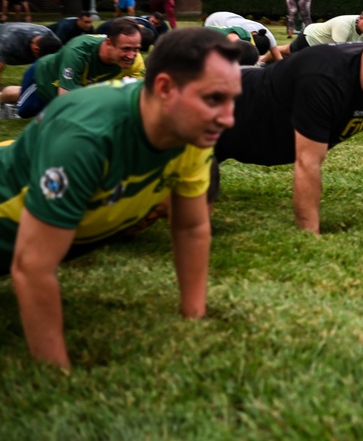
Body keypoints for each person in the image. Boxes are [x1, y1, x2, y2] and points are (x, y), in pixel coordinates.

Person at [0, 27, 243, 369]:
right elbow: (32, 266)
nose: (228, 118)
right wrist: (56, 374)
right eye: (214, 99)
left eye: (232, 99)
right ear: (165, 89)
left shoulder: (190, 130)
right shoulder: (87, 136)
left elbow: (190, 228)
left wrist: (194, 314)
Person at [212, 20, 363, 235]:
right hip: (224, 108)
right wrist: (311, 236)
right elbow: (308, 162)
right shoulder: (324, 77)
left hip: (266, 138)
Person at [17, 18, 145, 118]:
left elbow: (138, 100)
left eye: (136, 49)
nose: (132, 55)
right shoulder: (78, 53)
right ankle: (9, 94)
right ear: (109, 43)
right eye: (126, 49)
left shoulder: (136, 61)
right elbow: (66, 103)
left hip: (78, 86)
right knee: (24, 112)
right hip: (44, 79)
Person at [274, 8, 363, 57]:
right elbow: (337, 54)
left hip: (323, 48)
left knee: (287, 52)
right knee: (288, 52)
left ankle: (268, 56)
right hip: (312, 38)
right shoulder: (343, 25)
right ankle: (263, 59)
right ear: (361, 18)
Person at [204, 11, 283, 64]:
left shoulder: (268, 36)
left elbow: (279, 59)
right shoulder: (238, 35)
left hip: (227, 16)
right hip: (214, 21)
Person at [96, 12, 168, 51]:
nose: (154, 24)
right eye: (153, 21)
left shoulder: (158, 27)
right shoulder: (142, 24)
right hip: (106, 28)